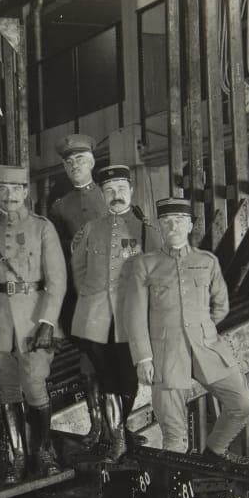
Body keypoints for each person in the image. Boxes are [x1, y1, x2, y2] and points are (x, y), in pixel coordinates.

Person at [123, 197, 249, 463]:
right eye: (167, 221)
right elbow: (133, 315)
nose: (173, 227)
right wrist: (144, 358)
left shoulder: (207, 261)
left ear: (190, 226)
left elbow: (221, 305)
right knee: (175, 438)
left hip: (206, 348)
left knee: (243, 402)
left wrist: (201, 329)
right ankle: (177, 490)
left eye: (180, 221)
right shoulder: (144, 264)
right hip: (166, 353)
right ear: (159, 226)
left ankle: (215, 451)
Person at [0, 165, 67, 482]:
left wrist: (47, 321)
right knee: (8, 390)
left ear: (26, 192)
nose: (10, 195)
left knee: (34, 385)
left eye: (16, 189)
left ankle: (44, 452)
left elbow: (57, 281)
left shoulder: (42, 228)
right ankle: (17, 457)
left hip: (34, 319)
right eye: (4, 188)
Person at [70, 164, 160, 461]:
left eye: (121, 190)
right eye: (109, 191)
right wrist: (91, 297)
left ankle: (117, 428)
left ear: (131, 192)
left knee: (129, 379)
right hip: (96, 318)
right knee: (107, 377)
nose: (115, 196)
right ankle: (118, 439)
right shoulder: (91, 228)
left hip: (128, 318)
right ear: (103, 195)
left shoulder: (144, 229)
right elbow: (79, 269)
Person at [47, 133, 108, 450]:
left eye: (80, 159)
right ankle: (97, 426)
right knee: (88, 362)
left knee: (111, 361)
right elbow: (55, 256)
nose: (74, 166)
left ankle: (116, 428)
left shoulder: (110, 197)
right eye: (69, 162)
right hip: (78, 297)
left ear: (93, 162)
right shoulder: (60, 207)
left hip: (111, 298)